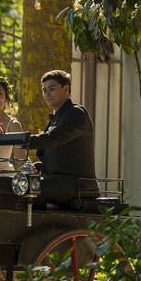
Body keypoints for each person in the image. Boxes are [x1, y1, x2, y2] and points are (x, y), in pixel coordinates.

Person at [27, 69, 96, 205]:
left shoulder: (76, 113)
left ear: (66, 89)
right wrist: (40, 166)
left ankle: (34, 222)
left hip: (75, 184)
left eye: (51, 89)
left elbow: (53, 138)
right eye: (44, 90)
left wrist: (22, 140)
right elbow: (54, 154)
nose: (47, 93)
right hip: (58, 182)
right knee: (20, 181)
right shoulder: (56, 118)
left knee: (25, 185)